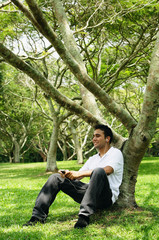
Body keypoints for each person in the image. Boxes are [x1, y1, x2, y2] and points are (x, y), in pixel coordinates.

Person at [23, 124, 124, 228]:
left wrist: (79, 174)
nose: (94, 139)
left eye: (97, 136)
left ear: (107, 139)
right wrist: (69, 174)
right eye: (93, 136)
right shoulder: (93, 158)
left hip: (105, 197)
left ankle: (84, 217)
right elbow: (78, 176)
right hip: (89, 193)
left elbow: (108, 170)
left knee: (99, 171)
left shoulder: (115, 153)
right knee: (55, 178)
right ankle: (37, 217)